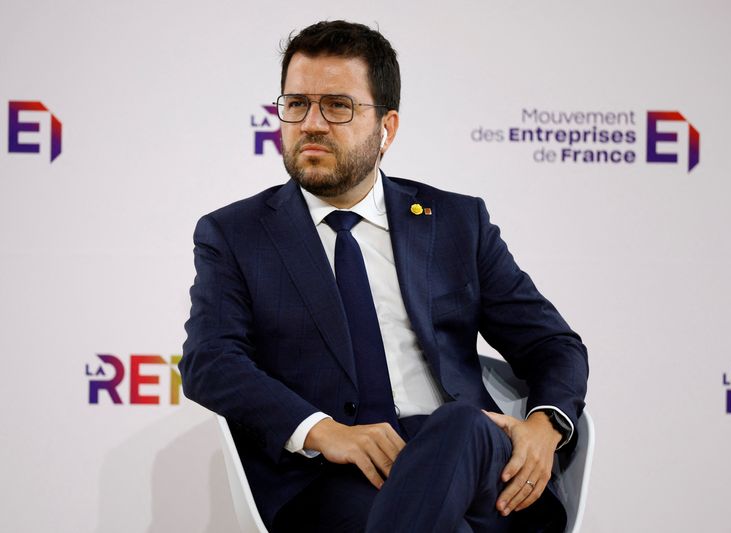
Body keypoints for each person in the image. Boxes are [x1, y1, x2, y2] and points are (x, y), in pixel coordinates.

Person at [180, 20, 588, 533]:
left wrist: (544, 425)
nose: (311, 123)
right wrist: (325, 432)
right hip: (337, 477)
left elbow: (552, 344)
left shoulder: (457, 222)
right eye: (296, 104)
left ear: (387, 128)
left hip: (480, 465)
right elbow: (210, 361)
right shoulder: (236, 234)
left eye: (338, 105)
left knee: (461, 424)